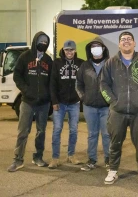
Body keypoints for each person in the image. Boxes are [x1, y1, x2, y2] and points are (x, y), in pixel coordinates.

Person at [100, 31, 138, 188]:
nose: (126, 41)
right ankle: (113, 170)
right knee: (115, 142)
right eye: (123, 39)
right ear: (119, 44)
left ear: (134, 43)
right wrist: (113, 101)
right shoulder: (111, 63)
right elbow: (103, 84)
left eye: (129, 39)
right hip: (117, 111)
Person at [7, 31, 52, 172]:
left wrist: (48, 95)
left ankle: (38, 157)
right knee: (23, 131)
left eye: (45, 42)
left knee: (41, 131)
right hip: (27, 102)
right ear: (35, 41)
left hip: (44, 103)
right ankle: (18, 159)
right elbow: (17, 76)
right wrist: (26, 90)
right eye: (41, 41)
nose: (43, 44)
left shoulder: (48, 60)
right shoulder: (25, 57)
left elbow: (52, 81)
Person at [76, 37, 110, 171]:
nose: (95, 48)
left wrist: (111, 100)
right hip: (89, 106)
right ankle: (91, 160)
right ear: (90, 49)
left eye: (98, 46)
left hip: (106, 107)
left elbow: (116, 84)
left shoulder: (110, 64)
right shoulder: (85, 65)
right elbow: (78, 84)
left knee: (107, 134)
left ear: (103, 48)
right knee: (92, 134)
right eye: (93, 46)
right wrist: (83, 97)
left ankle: (109, 160)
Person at [48, 40, 84, 169]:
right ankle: (55, 158)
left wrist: (81, 98)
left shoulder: (80, 63)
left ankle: (71, 155)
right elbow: (52, 84)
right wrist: (54, 101)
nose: (69, 52)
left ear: (75, 51)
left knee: (73, 130)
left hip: (74, 103)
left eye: (71, 50)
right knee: (57, 130)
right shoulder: (56, 63)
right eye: (67, 50)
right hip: (60, 103)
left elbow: (84, 82)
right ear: (63, 50)